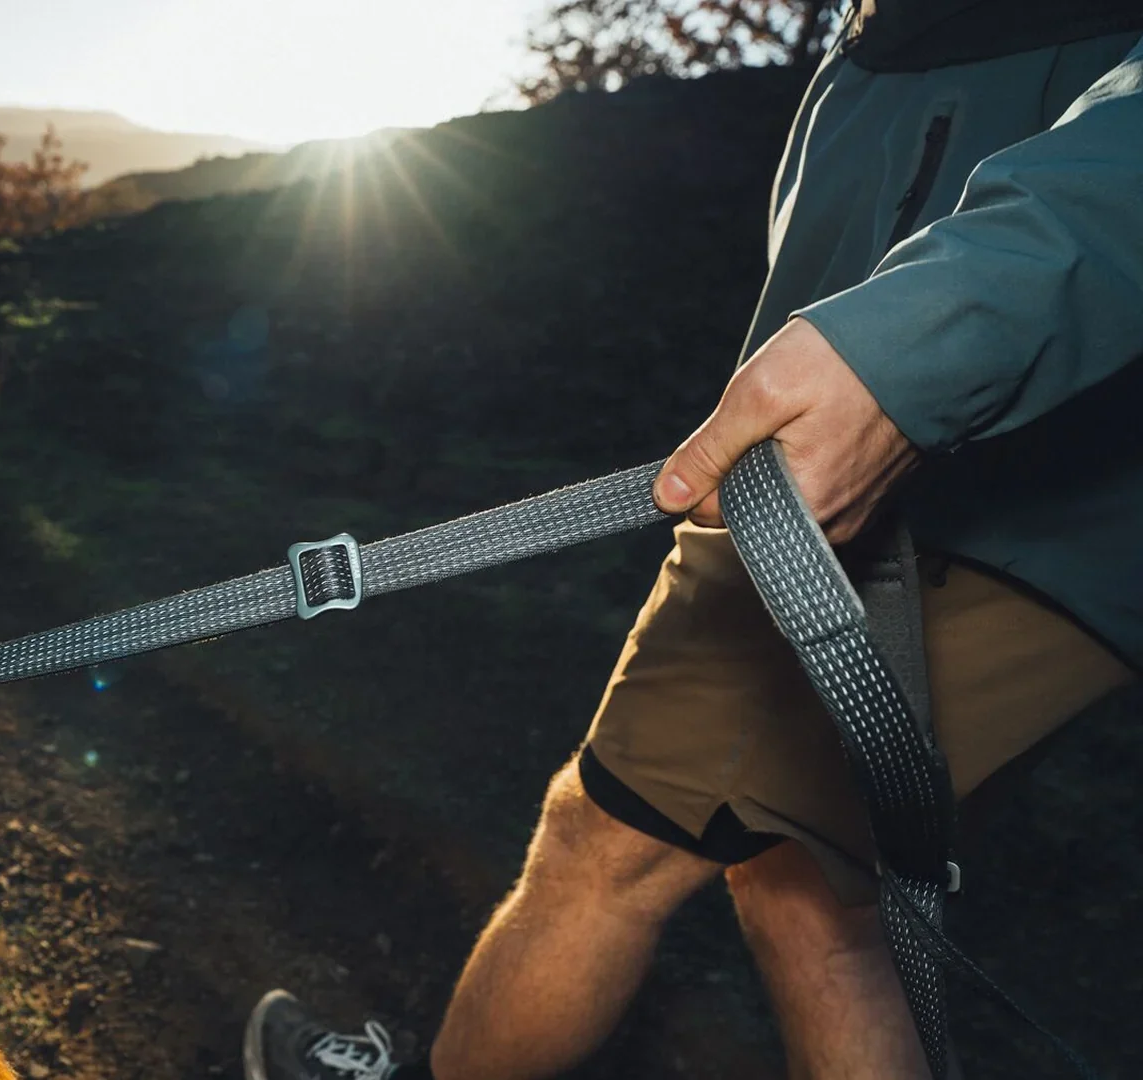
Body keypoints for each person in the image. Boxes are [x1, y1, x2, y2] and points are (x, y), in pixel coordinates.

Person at [244, 3, 1143, 1078]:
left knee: (603, 847)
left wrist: (921, 349)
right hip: (948, 446)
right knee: (814, 899)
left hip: (957, 465)